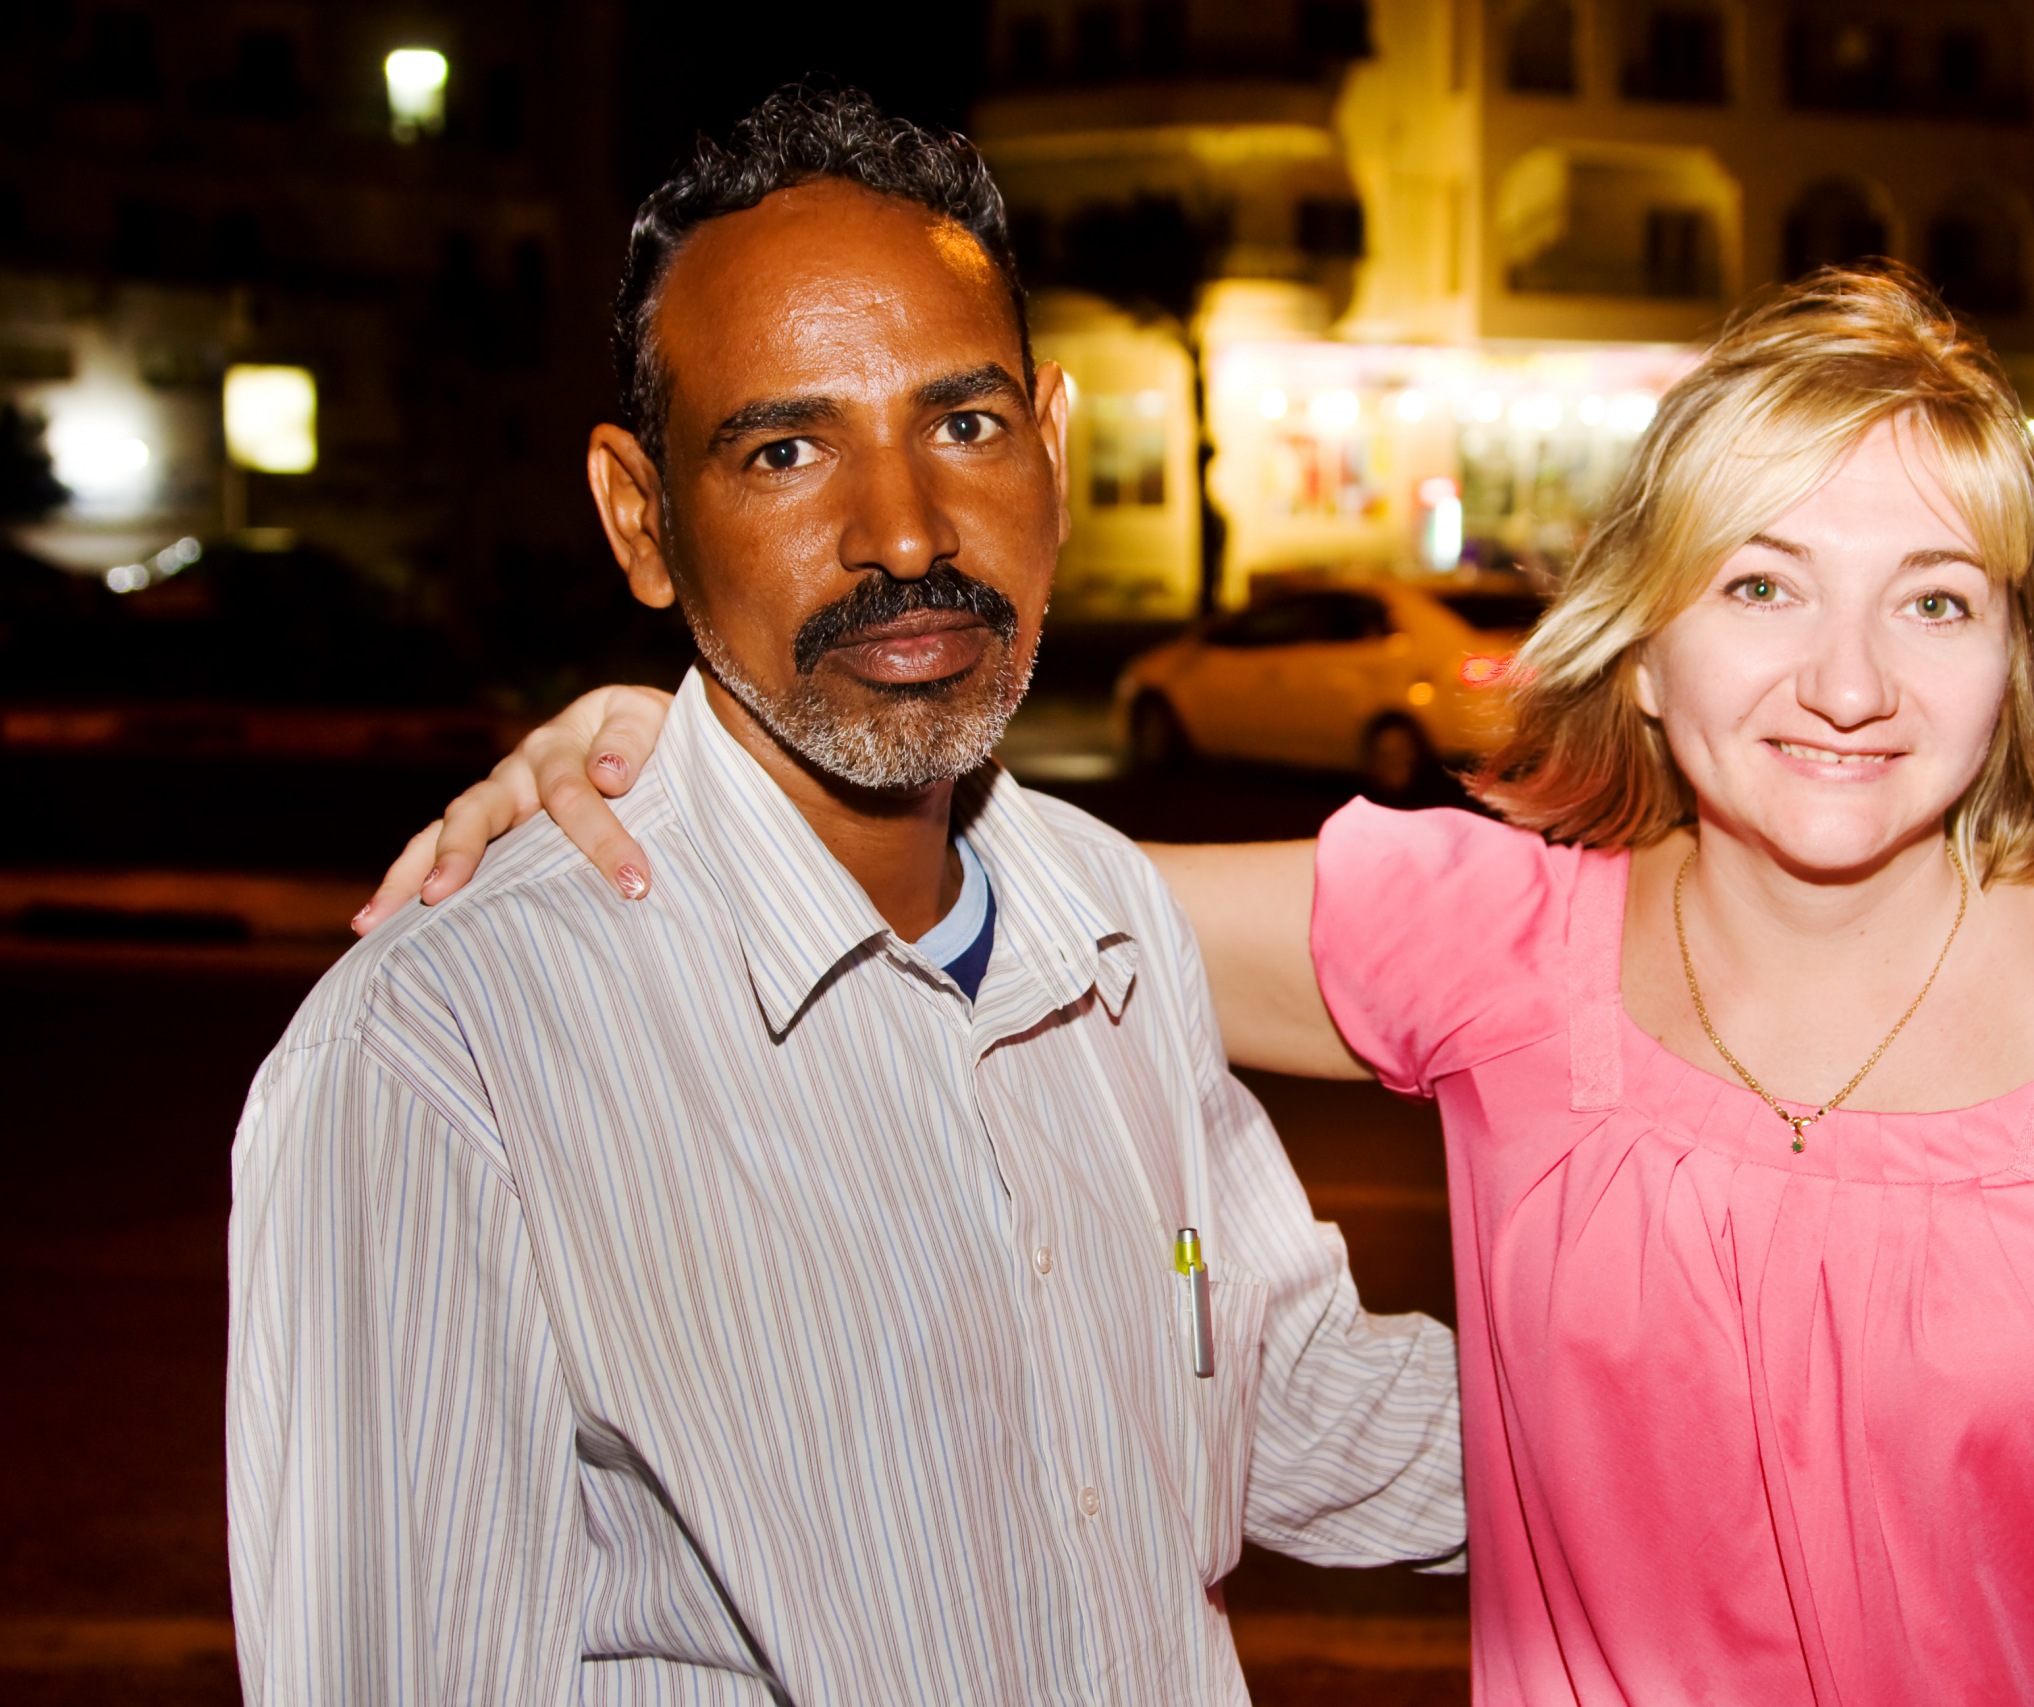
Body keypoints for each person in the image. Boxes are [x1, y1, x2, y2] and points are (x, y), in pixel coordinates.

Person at [377, 268, 2034, 1706]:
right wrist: (717, 757)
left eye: (1933, 600)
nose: (1849, 680)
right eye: (1763, 585)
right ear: (1644, 651)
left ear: (2011, 656)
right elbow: (1003, 874)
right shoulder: (1491, 949)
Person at [233, 86, 1463, 1705]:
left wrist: (1762, 1426)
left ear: (1057, 455)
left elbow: (1283, 1393)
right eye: (787, 449)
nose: (903, 531)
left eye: (965, 427)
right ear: (642, 520)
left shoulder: (1104, 921)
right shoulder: (443, 1055)